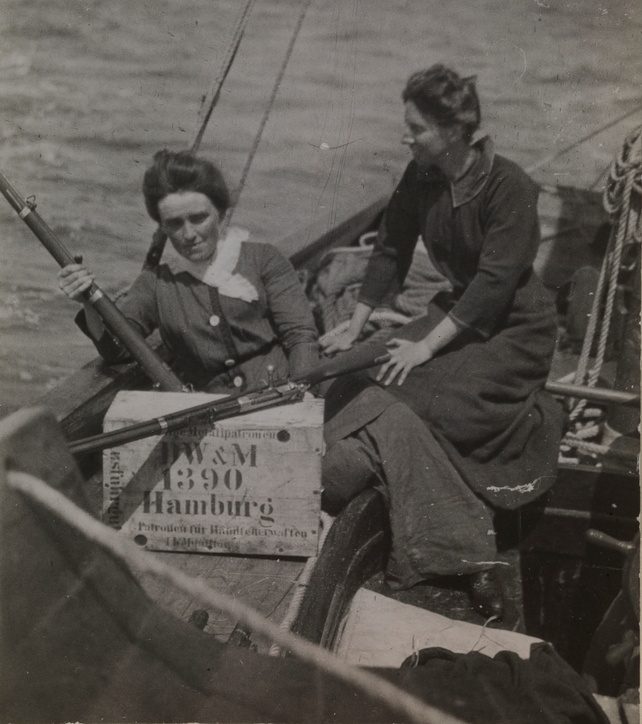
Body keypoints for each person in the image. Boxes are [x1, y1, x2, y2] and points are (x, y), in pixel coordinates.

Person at [319, 64, 564, 619]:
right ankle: (429, 506)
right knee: (356, 377)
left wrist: (425, 348)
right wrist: (356, 324)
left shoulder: (510, 185)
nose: (405, 138)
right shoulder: (421, 175)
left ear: (454, 131)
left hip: (514, 328)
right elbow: (391, 246)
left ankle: (459, 548)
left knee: (419, 399)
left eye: (416, 129)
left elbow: (495, 283)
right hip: (455, 312)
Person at [59, 150, 319, 394]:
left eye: (198, 218)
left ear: (221, 214)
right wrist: (87, 300)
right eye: (174, 224)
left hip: (284, 394)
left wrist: (298, 396)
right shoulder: (155, 282)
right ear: (162, 227)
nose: (189, 234)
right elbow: (118, 350)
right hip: (208, 412)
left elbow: (300, 336)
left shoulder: (263, 259)